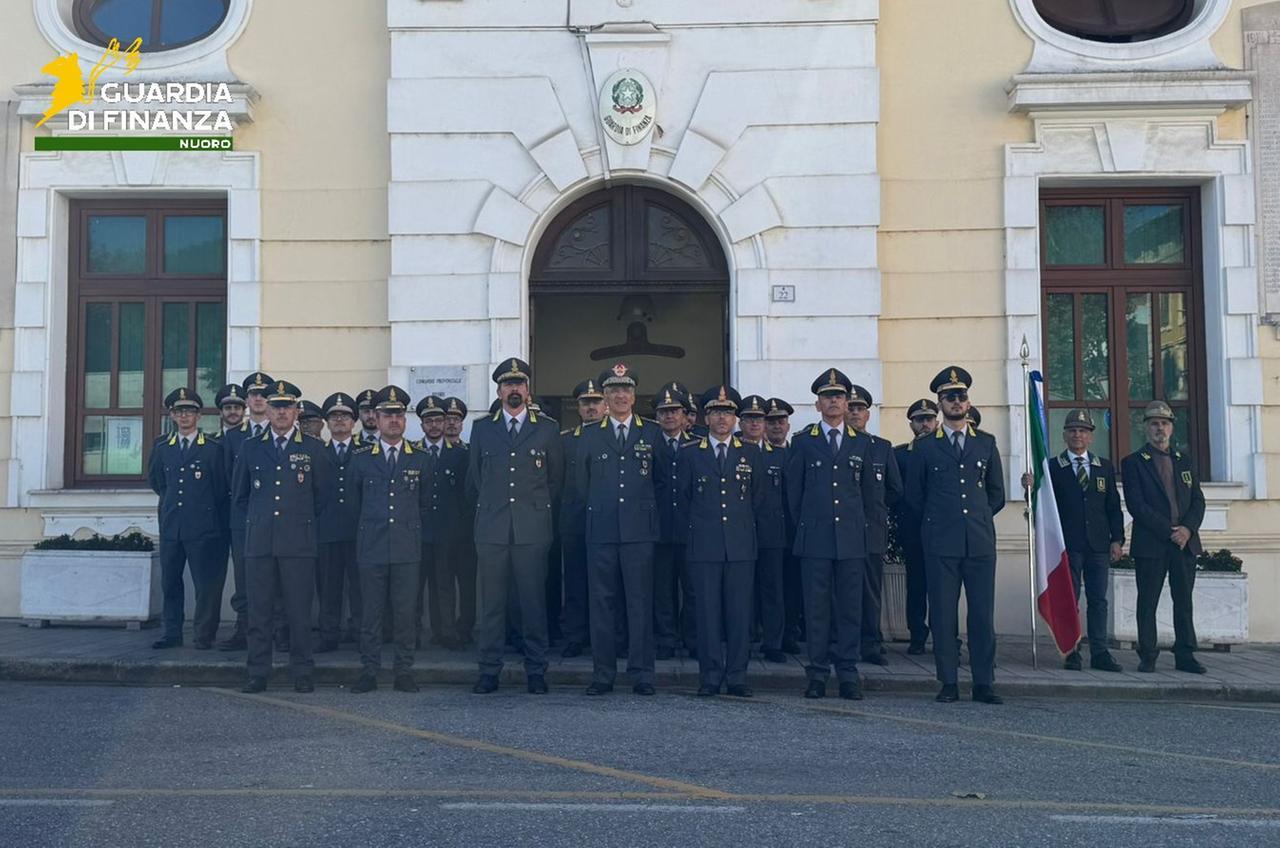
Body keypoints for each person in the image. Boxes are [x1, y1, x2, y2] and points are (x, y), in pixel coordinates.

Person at [907, 367, 1005, 704]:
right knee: (943, 615)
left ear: (968, 401)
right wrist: (940, 521)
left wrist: (974, 519)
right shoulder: (925, 449)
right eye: (950, 397)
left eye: (961, 396)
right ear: (940, 403)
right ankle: (948, 681)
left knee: (981, 614)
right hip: (940, 541)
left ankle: (983, 682)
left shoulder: (986, 443)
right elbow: (915, 496)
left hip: (978, 541)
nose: (957, 401)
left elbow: (997, 494)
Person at [469, 358, 564, 695]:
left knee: (533, 603)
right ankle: (489, 670)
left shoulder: (548, 429)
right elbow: (474, 481)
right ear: (498, 391)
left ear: (527, 390)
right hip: (492, 529)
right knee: (492, 605)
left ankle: (536, 670)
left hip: (532, 530)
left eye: (519, 384)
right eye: (507, 385)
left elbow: (555, 481)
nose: (513, 390)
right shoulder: (482, 429)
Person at [232, 380, 331, 693]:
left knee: (299, 612)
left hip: (298, 543)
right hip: (260, 542)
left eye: (287, 407)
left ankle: (302, 672)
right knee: (259, 612)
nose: (282, 412)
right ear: (266, 410)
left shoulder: (313, 448)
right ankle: (258, 672)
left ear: (297, 411)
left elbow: (322, 497)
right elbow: (241, 494)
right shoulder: (251, 447)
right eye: (276, 407)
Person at [785, 369, 876, 700]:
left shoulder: (862, 443)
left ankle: (848, 673)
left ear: (847, 401)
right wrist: (809, 526)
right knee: (817, 609)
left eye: (839, 396)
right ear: (818, 403)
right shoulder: (803, 441)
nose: (834, 401)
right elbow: (793, 495)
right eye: (827, 396)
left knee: (850, 609)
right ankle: (818, 673)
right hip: (815, 539)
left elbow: (870, 497)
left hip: (851, 539)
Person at [578, 363, 664, 696]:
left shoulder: (651, 432)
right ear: (605, 397)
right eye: (613, 390)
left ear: (634, 395)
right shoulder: (589, 433)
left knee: (640, 603)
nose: (620, 396)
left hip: (639, 532)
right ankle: (603, 673)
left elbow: (660, 481)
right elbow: (580, 485)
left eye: (626, 390)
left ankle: (642, 672)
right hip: (600, 530)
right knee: (602, 603)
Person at [1020, 409, 1125, 672]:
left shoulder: (1104, 466)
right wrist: (1031, 487)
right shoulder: (1053, 467)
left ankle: (1100, 652)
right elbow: (1042, 504)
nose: (1078, 435)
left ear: (1091, 437)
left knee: (1098, 600)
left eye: (1083, 431)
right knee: (1071, 598)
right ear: (1064, 435)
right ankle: (1072, 651)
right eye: (1073, 430)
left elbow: (1113, 506)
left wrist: (1118, 540)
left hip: (1099, 544)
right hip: (1068, 545)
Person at [680, 386, 767, 696]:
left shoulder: (751, 452)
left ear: (736, 419)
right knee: (707, 615)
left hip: (741, 546)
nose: (722, 418)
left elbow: (758, 499)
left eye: (728, 412)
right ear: (706, 417)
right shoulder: (691, 452)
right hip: (704, 546)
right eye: (716, 412)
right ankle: (710, 676)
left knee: (739, 615)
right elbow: (684, 498)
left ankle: (737, 676)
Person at [349, 386, 432, 694]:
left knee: (405, 612)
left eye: (399, 415)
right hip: (371, 546)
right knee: (370, 613)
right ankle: (369, 670)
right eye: (387, 415)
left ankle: (404, 670)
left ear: (405, 420)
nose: (393, 420)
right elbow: (354, 505)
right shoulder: (360, 460)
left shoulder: (420, 459)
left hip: (406, 547)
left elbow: (425, 504)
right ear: (377, 419)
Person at [1120, 401, 1207, 675]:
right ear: (1145, 427)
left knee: (1184, 601)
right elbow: (1136, 504)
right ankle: (1148, 654)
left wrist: (1187, 529)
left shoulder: (1184, 460)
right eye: (1154, 423)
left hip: (1185, 542)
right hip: (1152, 543)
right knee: (1148, 601)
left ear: (1172, 427)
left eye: (1165, 423)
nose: (1160, 428)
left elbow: (1198, 501)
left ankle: (1185, 654)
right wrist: (1169, 531)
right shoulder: (1134, 462)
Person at [148, 388, 229, 650]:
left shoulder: (213, 448)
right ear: (172, 415)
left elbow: (219, 488)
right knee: (171, 582)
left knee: (205, 585)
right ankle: (172, 632)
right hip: (172, 525)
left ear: (199, 416)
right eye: (179, 412)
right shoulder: (162, 447)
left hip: (203, 527)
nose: (185, 416)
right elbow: (158, 483)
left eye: (190, 412)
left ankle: (204, 634)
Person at [844, 385, 902, 666]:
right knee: (841, 589)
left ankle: (871, 642)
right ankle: (844, 642)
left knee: (870, 590)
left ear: (868, 414)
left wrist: (874, 510)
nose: (855, 413)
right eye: (851, 407)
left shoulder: (882, 447)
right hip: (842, 529)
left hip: (871, 530)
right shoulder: (838, 445)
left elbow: (894, 489)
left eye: (859, 409)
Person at [217, 371, 274, 652]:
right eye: (253, 394)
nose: (258, 399)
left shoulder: (281, 432)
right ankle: (244, 629)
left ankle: (277, 629)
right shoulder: (233, 437)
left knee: (276, 574)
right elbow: (229, 479)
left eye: (264, 395)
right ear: (247, 400)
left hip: (276, 518)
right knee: (244, 575)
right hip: (243, 518)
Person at [415, 395, 470, 651]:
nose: (435, 425)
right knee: (414, 586)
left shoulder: (459, 455)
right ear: (422, 425)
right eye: (429, 421)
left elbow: (465, 495)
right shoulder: (412, 452)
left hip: (448, 532)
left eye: (439, 419)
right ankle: (412, 633)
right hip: (416, 532)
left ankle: (446, 632)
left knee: (444, 584)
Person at [738, 395, 788, 663]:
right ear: (741, 422)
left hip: (772, 533)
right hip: (740, 532)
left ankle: (773, 642)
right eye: (749, 419)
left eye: (760, 419)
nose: (755, 424)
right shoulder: (733, 452)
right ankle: (743, 639)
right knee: (743, 590)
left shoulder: (781, 455)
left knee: (772, 590)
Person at [559, 378, 606, 658]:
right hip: (574, 521)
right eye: (585, 403)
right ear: (577, 407)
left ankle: (608, 636)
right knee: (575, 582)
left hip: (606, 522)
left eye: (595, 402)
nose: (591, 407)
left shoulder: (612, 436)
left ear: (605, 405)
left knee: (605, 584)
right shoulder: (565, 440)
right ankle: (576, 635)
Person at [315, 392, 362, 653]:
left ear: (353, 421)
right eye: (334, 417)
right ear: (327, 423)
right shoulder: (317, 453)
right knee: (328, 587)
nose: (340, 421)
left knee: (359, 587)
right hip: (327, 530)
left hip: (359, 531)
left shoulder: (366, 453)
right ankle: (328, 634)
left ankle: (359, 632)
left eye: (345, 416)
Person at [893, 398, 939, 654]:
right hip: (913, 530)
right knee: (917, 585)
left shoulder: (946, 451)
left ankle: (944, 635)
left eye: (929, 419)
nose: (925, 424)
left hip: (942, 530)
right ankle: (917, 635)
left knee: (944, 587)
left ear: (937, 421)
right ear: (911, 424)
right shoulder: (900, 455)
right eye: (919, 420)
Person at [652, 384, 695, 660]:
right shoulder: (649, 443)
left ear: (684, 415)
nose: (669, 416)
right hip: (659, 529)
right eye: (664, 412)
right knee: (662, 590)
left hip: (692, 530)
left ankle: (692, 638)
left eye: (674, 411)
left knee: (693, 590)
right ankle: (666, 639)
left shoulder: (697, 445)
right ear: (657, 416)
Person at [764, 398, 802, 655]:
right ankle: (773, 641)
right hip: (769, 533)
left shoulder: (798, 452)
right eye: (771, 421)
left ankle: (791, 634)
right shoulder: (757, 455)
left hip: (798, 532)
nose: (777, 426)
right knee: (773, 590)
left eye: (781, 421)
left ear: (788, 425)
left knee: (794, 588)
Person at [442, 397, 477, 644]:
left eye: (457, 419)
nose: (452, 424)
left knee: (468, 585)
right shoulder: (428, 453)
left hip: (466, 531)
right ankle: (444, 631)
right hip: (441, 532)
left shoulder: (469, 453)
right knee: (442, 584)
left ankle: (466, 627)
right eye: (448, 419)